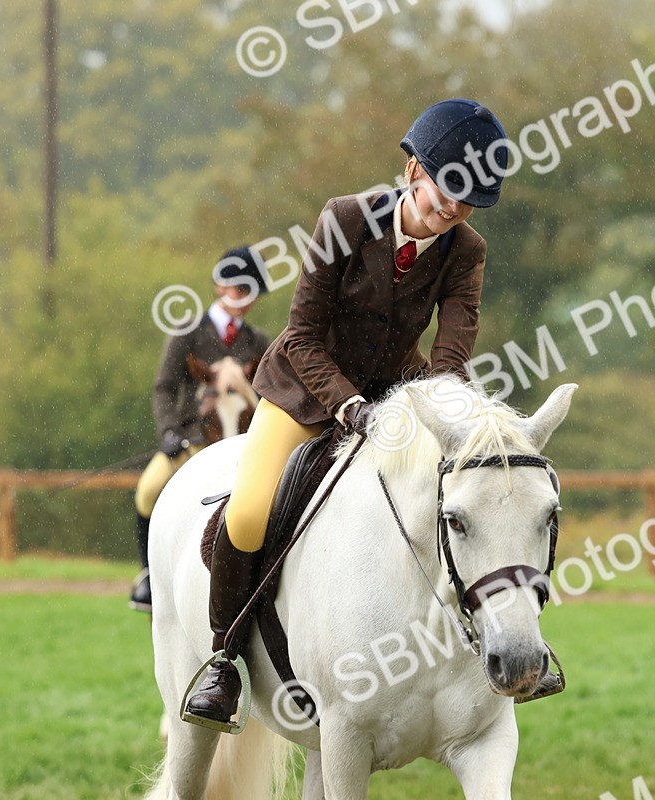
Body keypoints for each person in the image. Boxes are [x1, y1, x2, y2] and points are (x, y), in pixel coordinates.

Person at [183, 99, 521, 728]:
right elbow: (304, 335)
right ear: (414, 168)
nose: (452, 209)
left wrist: (448, 413)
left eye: (469, 200)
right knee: (252, 510)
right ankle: (223, 661)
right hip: (304, 390)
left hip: (398, 395)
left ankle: (502, 648)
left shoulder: (465, 251)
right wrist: (351, 405)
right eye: (448, 188)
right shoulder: (345, 219)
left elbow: (451, 356)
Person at [129, 249, 270, 612]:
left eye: (251, 291)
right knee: (146, 492)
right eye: (238, 289)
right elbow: (165, 388)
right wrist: (169, 432)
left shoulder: (258, 342)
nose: (244, 299)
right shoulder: (188, 333)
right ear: (219, 286)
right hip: (192, 440)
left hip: (243, 443)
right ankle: (148, 575)